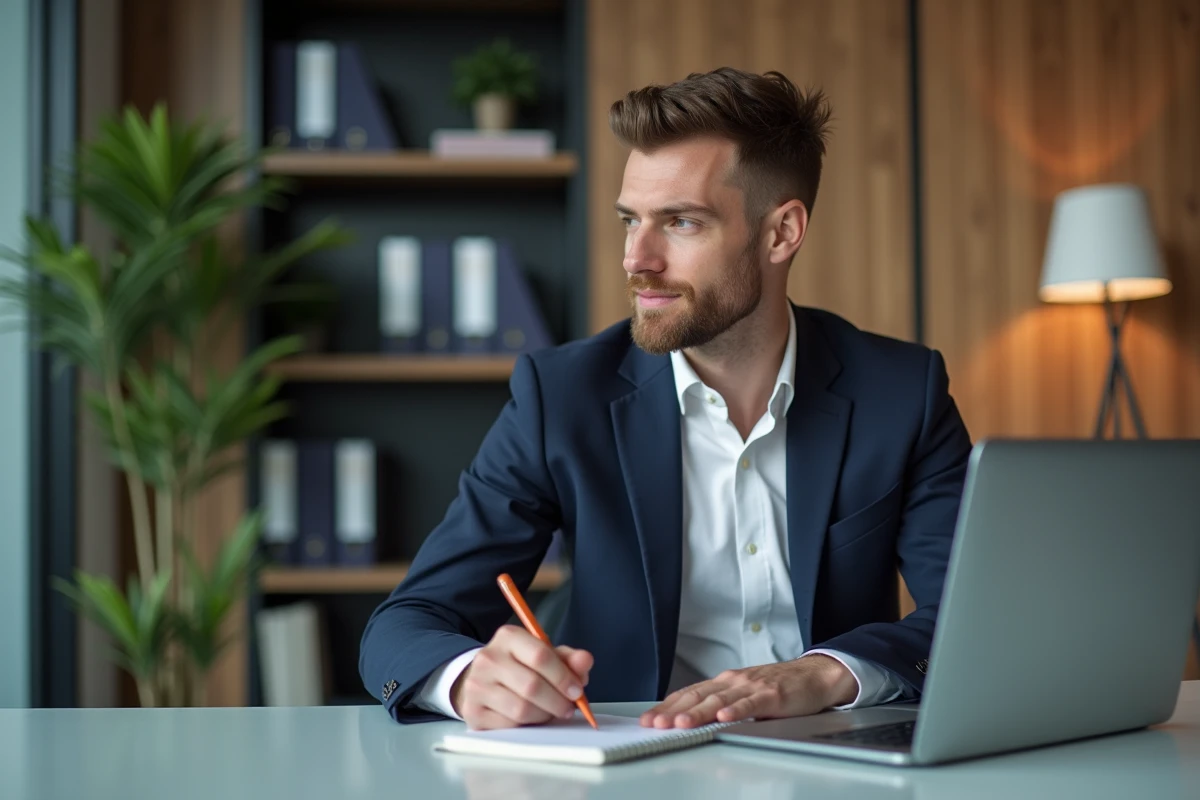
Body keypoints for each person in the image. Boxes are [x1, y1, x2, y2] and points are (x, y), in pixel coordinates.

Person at [359, 67, 973, 730]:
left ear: (780, 233)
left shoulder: (902, 393)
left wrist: (826, 673)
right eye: (631, 220)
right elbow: (407, 623)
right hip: (626, 761)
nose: (637, 259)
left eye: (680, 222)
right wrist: (466, 679)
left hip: (843, 763)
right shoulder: (561, 397)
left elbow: (976, 617)